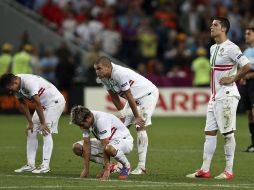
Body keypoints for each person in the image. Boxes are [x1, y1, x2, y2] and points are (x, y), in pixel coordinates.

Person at [186, 17, 252, 179]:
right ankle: (205, 169)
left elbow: (247, 66)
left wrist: (232, 78)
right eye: (211, 24)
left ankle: (228, 171)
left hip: (227, 96)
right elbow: (214, 72)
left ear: (224, 29)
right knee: (209, 132)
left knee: (228, 134)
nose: (211, 27)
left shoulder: (231, 48)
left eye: (215, 25)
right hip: (215, 97)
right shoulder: (213, 48)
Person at [94, 56, 159, 175]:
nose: (97, 72)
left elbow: (128, 95)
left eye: (99, 69)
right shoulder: (103, 77)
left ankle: (141, 167)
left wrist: (137, 116)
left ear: (108, 67)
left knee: (139, 126)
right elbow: (113, 96)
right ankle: (120, 165)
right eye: (96, 69)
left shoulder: (119, 74)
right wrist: (122, 113)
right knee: (120, 127)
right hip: (133, 100)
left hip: (147, 96)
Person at [0, 73, 66, 173]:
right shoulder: (16, 84)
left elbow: (37, 104)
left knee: (45, 131)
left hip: (54, 102)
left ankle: (45, 166)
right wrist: (30, 122)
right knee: (31, 131)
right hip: (43, 105)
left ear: (15, 82)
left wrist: (43, 123)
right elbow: (22, 103)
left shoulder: (29, 83)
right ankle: (30, 164)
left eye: (10, 88)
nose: (10, 91)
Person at [70, 105, 133, 180]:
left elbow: (105, 144)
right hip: (108, 142)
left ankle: (126, 165)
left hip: (124, 141)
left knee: (108, 148)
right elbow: (86, 145)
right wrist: (86, 169)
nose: (81, 127)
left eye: (81, 125)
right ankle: (111, 165)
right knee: (77, 147)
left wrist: (106, 171)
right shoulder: (86, 118)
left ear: (88, 118)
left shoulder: (101, 120)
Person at [240, 27, 254, 152]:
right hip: (247, 84)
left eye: (249, 33)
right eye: (245, 33)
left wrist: (251, 75)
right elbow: (242, 67)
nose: (246, 35)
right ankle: (252, 144)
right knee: (249, 114)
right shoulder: (247, 51)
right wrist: (242, 75)